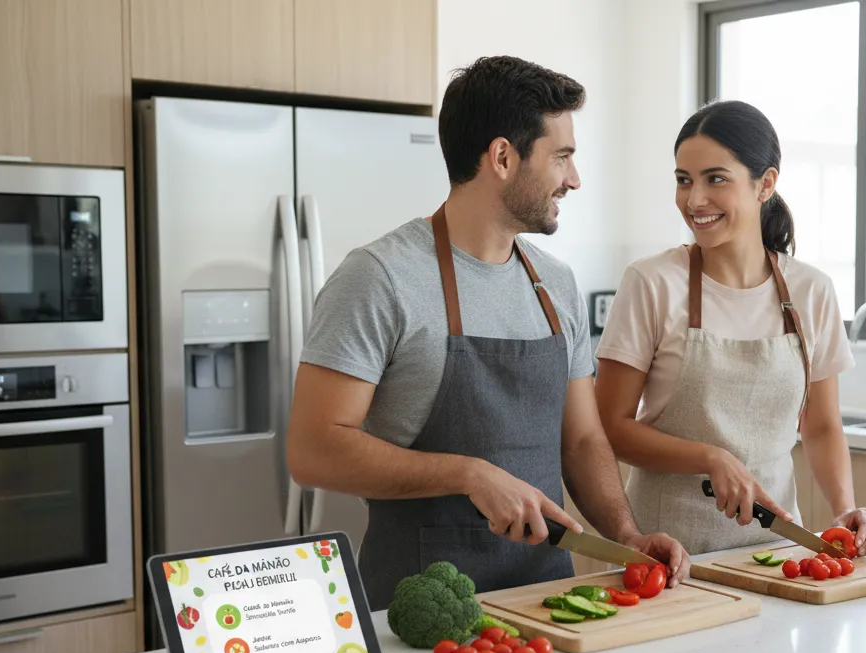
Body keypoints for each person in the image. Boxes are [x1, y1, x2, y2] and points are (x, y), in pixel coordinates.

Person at [287, 55, 690, 608]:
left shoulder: (555, 284)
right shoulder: (380, 278)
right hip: (420, 612)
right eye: (562, 158)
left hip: (549, 602)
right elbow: (313, 450)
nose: (574, 179)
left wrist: (627, 535)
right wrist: (469, 474)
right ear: (503, 157)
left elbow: (581, 440)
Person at [593, 100, 866, 556]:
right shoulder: (651, 283)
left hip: (776, 552)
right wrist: (710, 458)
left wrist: (844, 510)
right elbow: (609, 427)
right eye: (683, 180)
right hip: (666, 553)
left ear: (765, 183)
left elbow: (822, 425)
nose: (694, 200)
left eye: (716, 179)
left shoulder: (811, 291)